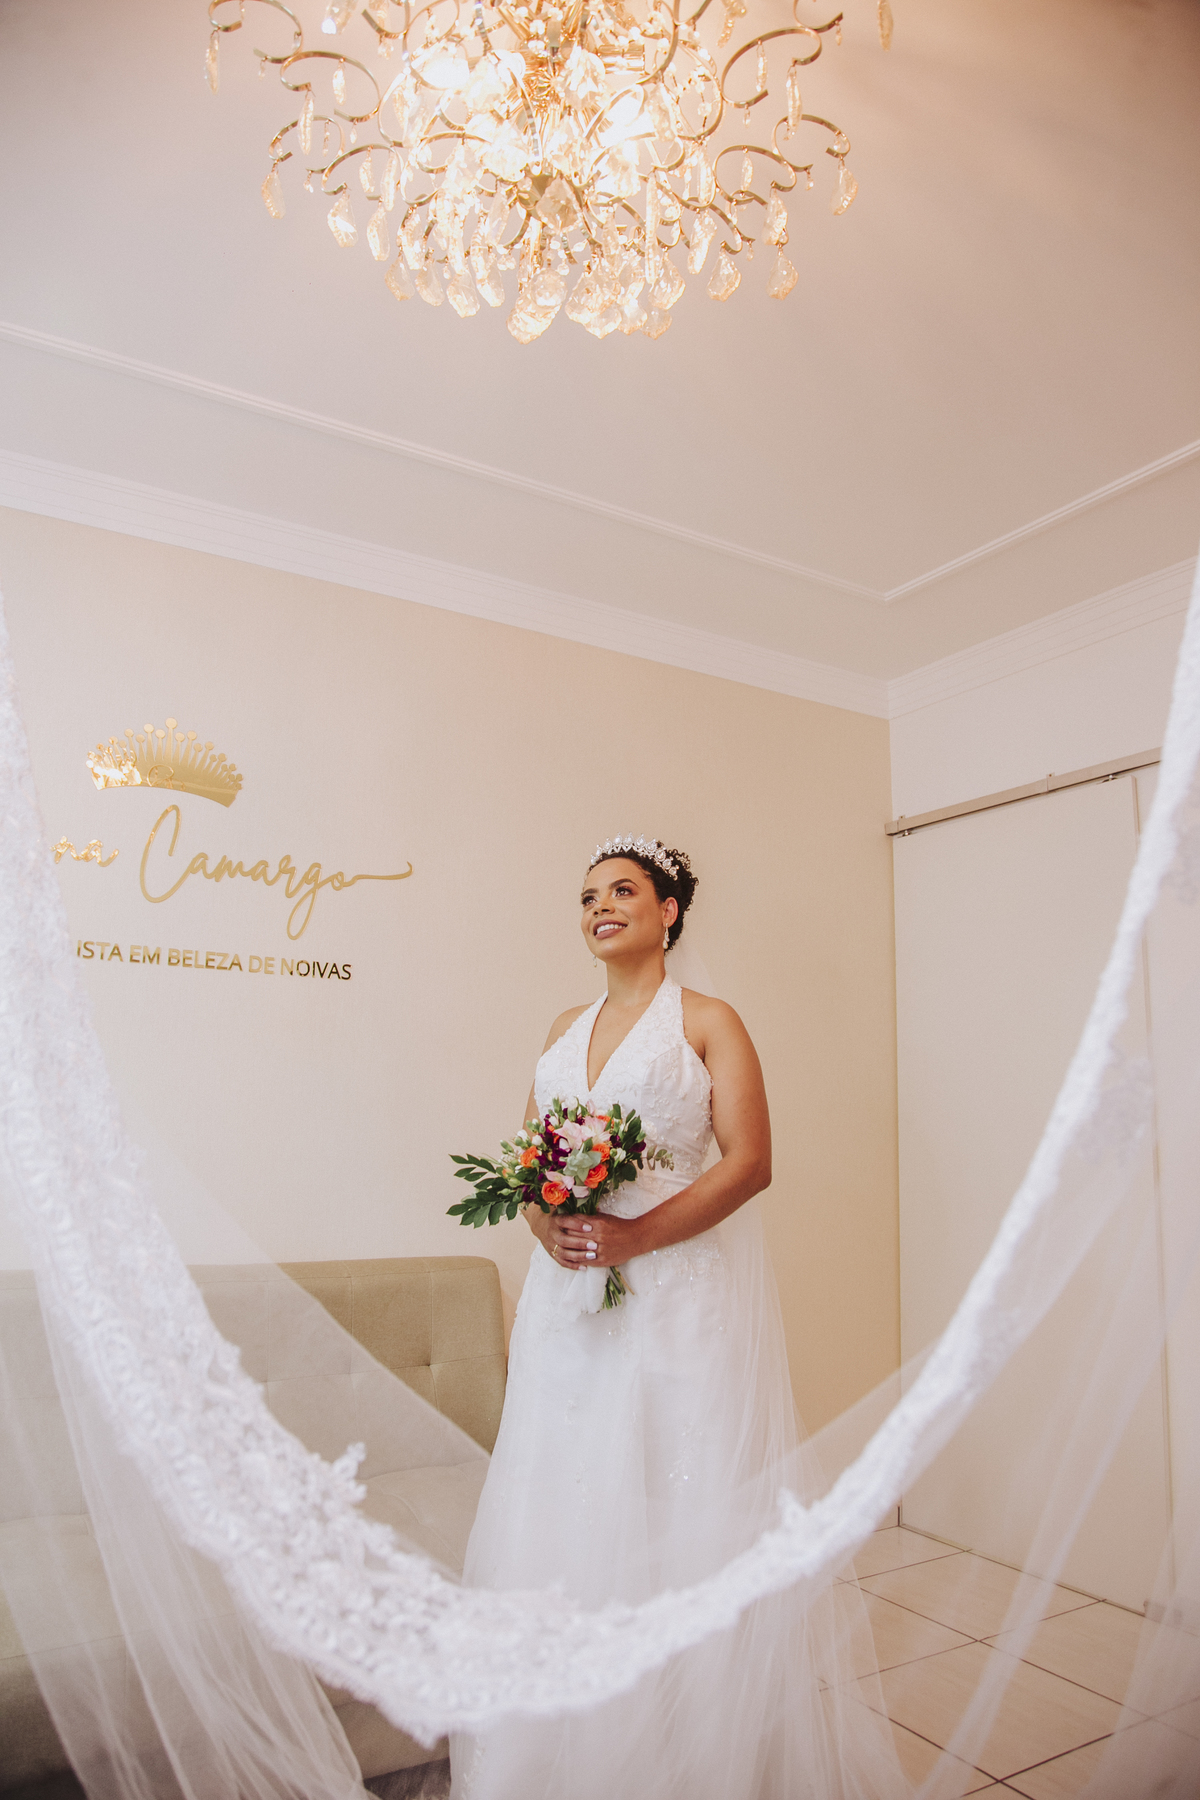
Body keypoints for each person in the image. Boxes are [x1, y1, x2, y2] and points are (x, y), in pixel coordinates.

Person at [449, 837, 907, 1800]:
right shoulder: (561, 1027)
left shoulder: (708, 1022)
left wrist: (634, 1237)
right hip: (567, 1303)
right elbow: (528, 1161)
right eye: (587, 897)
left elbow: (750, 1161)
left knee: (675, 1490)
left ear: (668, 913)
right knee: (562, 1488)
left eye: (622, 891)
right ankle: (558, 1746)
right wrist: (545, 1226)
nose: (600, 908)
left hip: (677, 1298)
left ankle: (689, 1750)